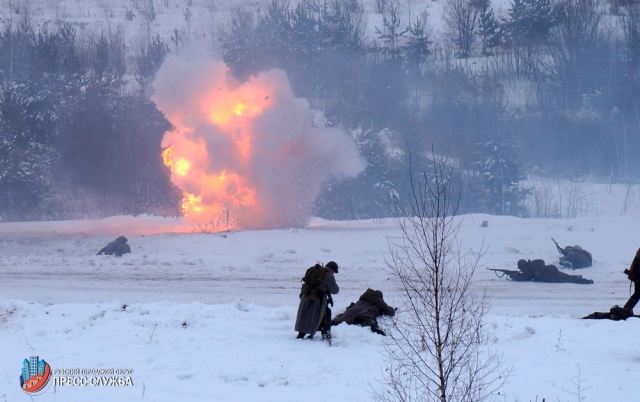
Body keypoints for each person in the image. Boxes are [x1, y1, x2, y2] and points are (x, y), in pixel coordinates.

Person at [295, 261, 339, 339]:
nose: (333, 273)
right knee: (323, 314)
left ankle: (301, 334)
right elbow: (335, 290)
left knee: (306, 315)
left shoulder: (318, 271)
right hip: (318, 300)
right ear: (332, 270)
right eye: (334, 272)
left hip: (307, 296)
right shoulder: (329, 275)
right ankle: (325, 332)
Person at [622, 248, 640, 316]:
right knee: (638, 294)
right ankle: (625, 311)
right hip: (637, 275)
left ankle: (625, 310)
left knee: (637, 294)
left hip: (636, 275)